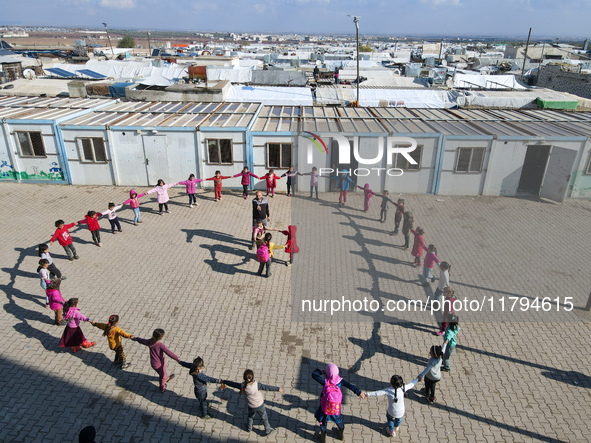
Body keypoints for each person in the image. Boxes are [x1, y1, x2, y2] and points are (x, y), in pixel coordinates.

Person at [312, 363, 364, 442]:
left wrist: (322, 371)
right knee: (338, 419)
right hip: (335, 407)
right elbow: (350, 386)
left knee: (323, 421)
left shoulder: (325, 381)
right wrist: (359, 392)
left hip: (325, 407)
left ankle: (323, 438)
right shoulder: (340, 381)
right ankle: (340, 434)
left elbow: (314, 375)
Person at [133, 329, 181, 393]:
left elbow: (142, 341)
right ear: (161, 338)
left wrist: (136, 338)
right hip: (160, 364)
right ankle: (162, 387)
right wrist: (177, 358)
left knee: (162, 373)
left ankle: (167, 378)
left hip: (153, 363)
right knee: (162, 376)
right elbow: (169, 353)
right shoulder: (160, 345)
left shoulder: (150, 341)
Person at [239, 369, 282, 435]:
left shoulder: (243, 386)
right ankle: (268, 430)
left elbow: (232, 384)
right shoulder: (257, 385)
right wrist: (277, 389)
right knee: (264, 418)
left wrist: (223, 381)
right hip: (260, 405)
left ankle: (249, 428)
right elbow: (268, 387)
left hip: (251, 406)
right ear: (252, 377)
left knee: (250, 417)